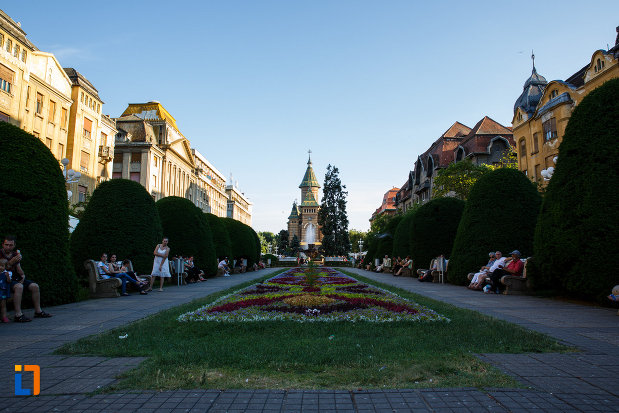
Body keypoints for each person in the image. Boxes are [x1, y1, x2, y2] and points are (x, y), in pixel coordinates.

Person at [0, 235, 52, 322]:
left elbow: (19, 268)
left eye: (11, 245)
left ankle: (38, 311)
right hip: (5, 279)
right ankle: (18, 314)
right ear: (3, 244)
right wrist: (10, 263)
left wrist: (23, 275)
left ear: (14, 245)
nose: (8, 247)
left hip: (16, 277)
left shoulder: (15, 254)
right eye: (6, 244)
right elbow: (2, 270)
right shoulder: (0, 254)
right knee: (19, 287)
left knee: (34, 286)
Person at [0, 259, 11, 323]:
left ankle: (4, 317)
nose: (0, 267)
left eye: (2, 266)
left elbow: (9, 281)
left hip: (3, 291)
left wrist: (7, 277)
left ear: (5, 267)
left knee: (3, 305)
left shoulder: (7, 273)